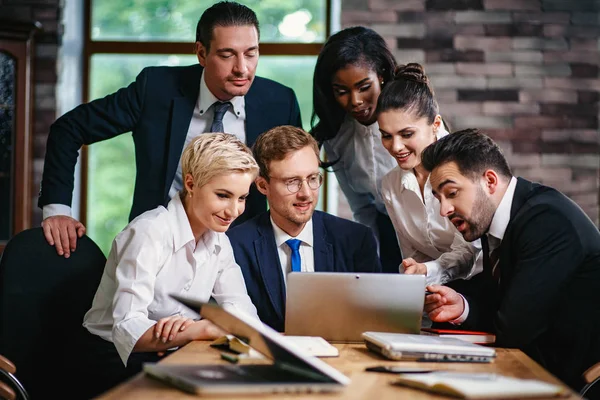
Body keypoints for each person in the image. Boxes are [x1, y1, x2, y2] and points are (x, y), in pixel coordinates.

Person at [39, 1, 302, 258]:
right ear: (201, 53)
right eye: (226, 55)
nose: (242, 68)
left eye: (251, 53)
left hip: (243, 254)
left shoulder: (280, 102)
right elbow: (69, 128)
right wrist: (57, 210)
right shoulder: (155, 90)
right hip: (158, 249)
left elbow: (295, 178)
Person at [81, 133, 260, 397]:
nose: (234, 211)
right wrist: (203, 328)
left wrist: (192, 330)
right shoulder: (148, 232)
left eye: (242, 198)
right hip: (113, 363)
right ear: (191, 183)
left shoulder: (219, 238)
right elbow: (127, 329)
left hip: (173, 354)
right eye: (223, 195)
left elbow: (244, 316)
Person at [421, 129, 600, 390]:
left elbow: (514, 328)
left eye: (452, 193)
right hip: (535, 371)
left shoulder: (546, 219)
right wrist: (461, 305)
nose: (444, 210)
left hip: (577, 382)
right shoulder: (497, 220)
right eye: (438, 198)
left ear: (490, 181)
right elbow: (500, 294)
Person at [226, 126, 382, 332]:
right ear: (263, 186)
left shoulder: (356, 240)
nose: (306, 194)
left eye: (312, 178)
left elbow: (374, 322)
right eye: (292, 182)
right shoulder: (234, 245)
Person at [377, 63, 481, 285]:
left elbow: (470, 252)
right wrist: (415, 275)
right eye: (386, 135)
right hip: (431, 295)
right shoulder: (390, 185)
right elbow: (411, 255)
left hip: (480, 291)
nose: (395, 147)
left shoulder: (466, 167)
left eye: (406, 134)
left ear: (435, 124)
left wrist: (427, 271)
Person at [311, 26, 400, 273]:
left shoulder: (414, 117)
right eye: (342, 91)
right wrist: (372, 263)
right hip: (386, 236)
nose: (355, 101)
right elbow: (362, 208)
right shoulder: (336, 135)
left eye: (364, 87)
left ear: (381, 75)